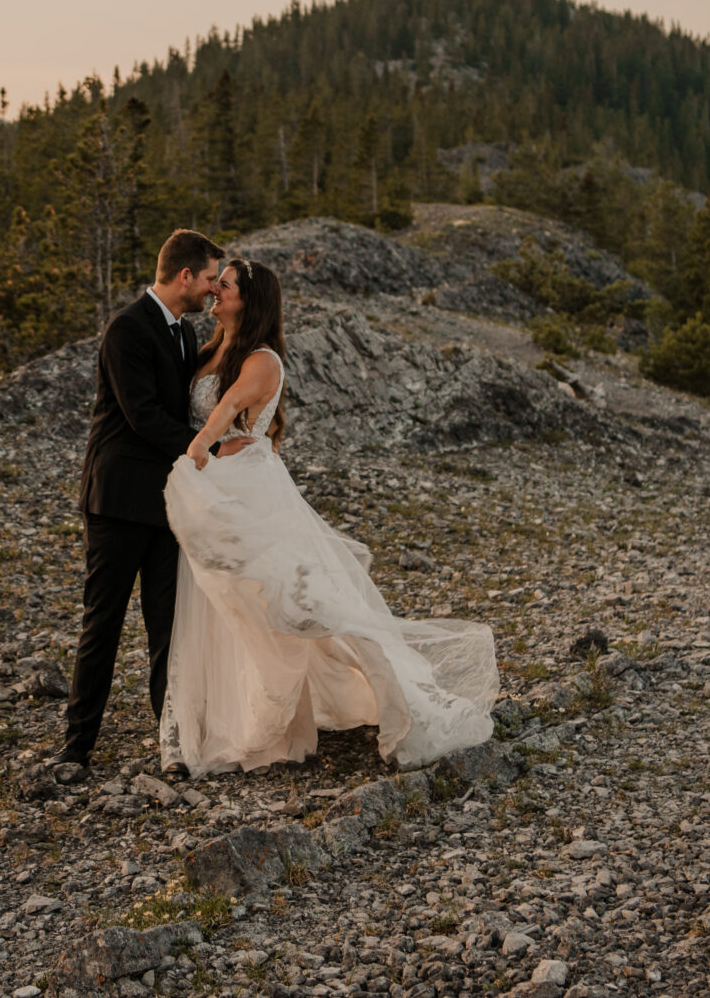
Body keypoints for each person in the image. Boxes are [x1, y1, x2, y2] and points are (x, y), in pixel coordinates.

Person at [159, 257, 498, 776]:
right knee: (231, 607)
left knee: (299, 603)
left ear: (249, 300)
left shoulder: (262, 359)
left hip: (251, 490)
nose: (215, 293)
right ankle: (232, 715)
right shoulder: (210, 349)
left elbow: (227, 409)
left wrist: (197, 449)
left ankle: (384, 706)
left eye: (224, 286)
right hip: (217, 490)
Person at [54, 228, 249, 768]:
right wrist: (206, 448)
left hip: (167, 504)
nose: (213, 289)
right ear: (185, 275)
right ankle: (77, 747)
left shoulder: (186, 336)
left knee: (168, 626)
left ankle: (173, 742)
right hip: (117, 502)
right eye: (210, 277)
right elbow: (141, 416)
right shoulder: (126, 328)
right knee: (104, 622)